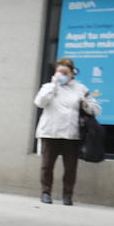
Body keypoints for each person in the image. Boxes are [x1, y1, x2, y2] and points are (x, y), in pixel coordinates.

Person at [33, 57, 100, 206]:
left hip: (71, 133)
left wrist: (85, 105)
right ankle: (46, 192)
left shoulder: (81, 88)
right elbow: (40, 102)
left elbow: (95, 109)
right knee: (47, 165)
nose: (62, 75)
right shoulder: (48, 87)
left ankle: (67, 195)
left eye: (65, 72)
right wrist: (53, 85)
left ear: (71, 73)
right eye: (59, 72)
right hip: (51, 131)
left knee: (70, 167)